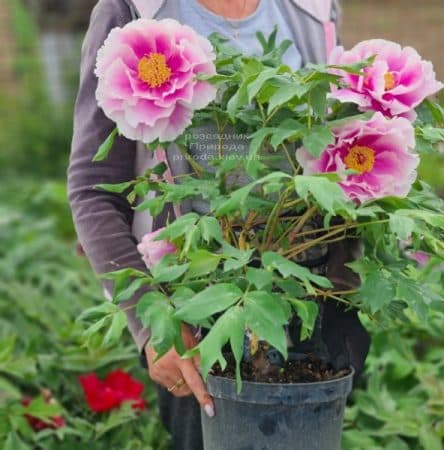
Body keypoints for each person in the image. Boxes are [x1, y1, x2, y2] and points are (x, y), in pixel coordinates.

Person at [68, 1, 370, 449]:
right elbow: (93, 187)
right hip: (195, 316)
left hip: (310, 303)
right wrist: (154, 326)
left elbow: (339, 148)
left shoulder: (313, 9)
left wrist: (344, 288)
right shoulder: (131, 9)